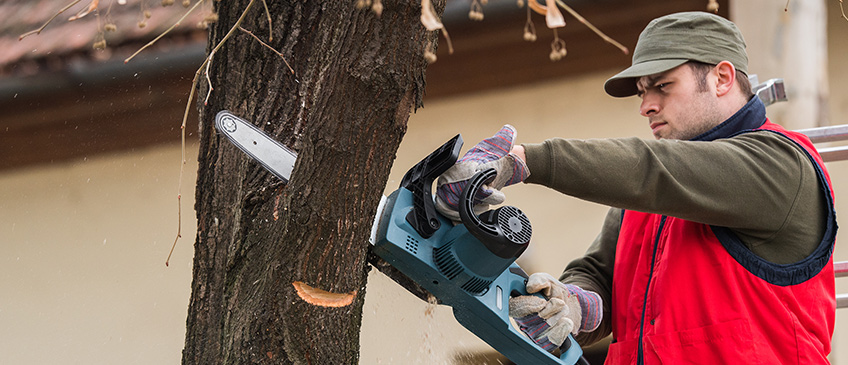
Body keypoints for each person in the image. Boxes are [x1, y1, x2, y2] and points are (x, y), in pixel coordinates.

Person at [434, 11, 837, 364]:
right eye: (643, 91)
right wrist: (576, 305)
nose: (645, 105)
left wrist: (522, 161)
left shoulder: (781, 165)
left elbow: (652, 169)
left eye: (662, 86)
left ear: (722, 78)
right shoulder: (657, 191)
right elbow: (598, 272)